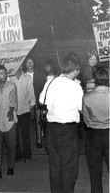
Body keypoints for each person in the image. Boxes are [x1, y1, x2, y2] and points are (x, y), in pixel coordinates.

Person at [39, 53, 84, 193]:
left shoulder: (51, 82)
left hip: (51, 129)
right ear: (75, 70)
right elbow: (81, 109)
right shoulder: (75, 87)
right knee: (69, 168)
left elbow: (42, 101)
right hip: (68, 130)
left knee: (55, 166)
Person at [82, 66, 109, 193]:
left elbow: (86, 119)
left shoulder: (87, 97)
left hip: (94, 135)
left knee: (95, 172)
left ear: (95, 79)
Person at [8, 64, 36, 163]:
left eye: (20, 64)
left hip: (25, 109)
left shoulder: (27, 78)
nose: (18, 66)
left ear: (22, 65)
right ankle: (17, 155)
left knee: (26, 133)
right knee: (14, 135)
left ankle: (27, 155)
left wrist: (32, 107)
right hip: (13, 110)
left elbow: (31, 93)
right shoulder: (9, 78)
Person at [23, 57, 46, 148]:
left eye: (31, 62)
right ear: (25, 64)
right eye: (27, 62)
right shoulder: (22, 75)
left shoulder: (40, 74)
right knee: (27, 123)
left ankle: (39, 141)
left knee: (38, 121)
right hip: (25, 102)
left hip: (37, 101)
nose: (29, 64)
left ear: (34, 63)